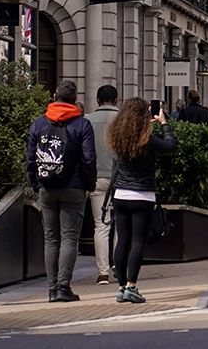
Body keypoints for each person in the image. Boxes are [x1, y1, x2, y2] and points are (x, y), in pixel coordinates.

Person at [26, 81, 97, 302]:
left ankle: (51, 289)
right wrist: (89, 185)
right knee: (69, 238)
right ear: (75, 99)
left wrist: (35, 184)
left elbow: (30, 159)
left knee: (50, 238)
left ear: (55, 95)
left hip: (47, 186)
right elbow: (89, 159)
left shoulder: (38, 124)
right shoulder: (82, 125)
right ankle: (63, 287)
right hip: (74, 187)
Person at [107, 98, 175, 304]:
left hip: (120, 195)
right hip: (142, 195)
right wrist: (164, 123)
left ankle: (120, 288)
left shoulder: (118, 137)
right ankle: (132, 286)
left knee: (123, 241)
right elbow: (170, 146)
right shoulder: (148, 139)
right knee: (138, 242)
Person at [85, 84, 120, 286]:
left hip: (96, 179)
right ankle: (118, 266)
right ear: (116, 100)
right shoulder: (124, 120)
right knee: (120, 226)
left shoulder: (87, 120)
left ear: (97, 101)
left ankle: (103, 272)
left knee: (101, 225)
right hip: (121, 179)